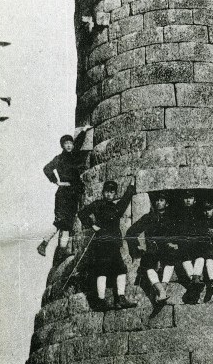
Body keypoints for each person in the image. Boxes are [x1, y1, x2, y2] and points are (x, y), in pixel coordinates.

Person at [78, 179, 138, 311]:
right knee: (102, 270)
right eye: (107, 191)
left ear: (115, 193)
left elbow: (126, 200)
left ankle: (120, 298)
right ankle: (101, 300)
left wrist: (131, 186)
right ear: (103, 192)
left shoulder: (116, 208)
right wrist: (92, 225)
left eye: (112, 192)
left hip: (114, 244)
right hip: (102, 244)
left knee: (121, 269)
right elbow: (81, 213)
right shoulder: (97, 204)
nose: (109, 194)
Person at [38, 130, 89, 260]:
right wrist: (57, 182)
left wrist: (84, 130)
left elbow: (79, 142)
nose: (69, 145)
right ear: (62, 145)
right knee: (59, 222)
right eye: (66, 143)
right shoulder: (59, 158)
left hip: (73, 194)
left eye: (70, 143)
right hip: (63, 194)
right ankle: (44, 244)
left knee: (67, 225)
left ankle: (62, 251)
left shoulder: (74, 155)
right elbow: (46, 168)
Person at [129, 192, 178, 304]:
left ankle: (162, 288)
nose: (158, 203)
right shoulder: (148, 217)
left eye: (161, 200)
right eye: (157, 200)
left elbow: (179, 233)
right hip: (153, 247)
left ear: (167, 204)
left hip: (166, 247)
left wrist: (176, 244)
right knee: (147, 263)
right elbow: (131, 232)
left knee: (171, 258)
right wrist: (137, 246)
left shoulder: (171, 219)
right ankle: (161, 290)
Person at [177, 191, 208, 304]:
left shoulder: (199, 212)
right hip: (184, 242)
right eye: (186, 198)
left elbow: (208, 220)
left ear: (194, 200)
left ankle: (194, 278)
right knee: (184, 255)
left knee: (201, 254)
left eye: (190, 198)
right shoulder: (178, 213)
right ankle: (195, 279)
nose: (188, 200)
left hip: (197, 242)